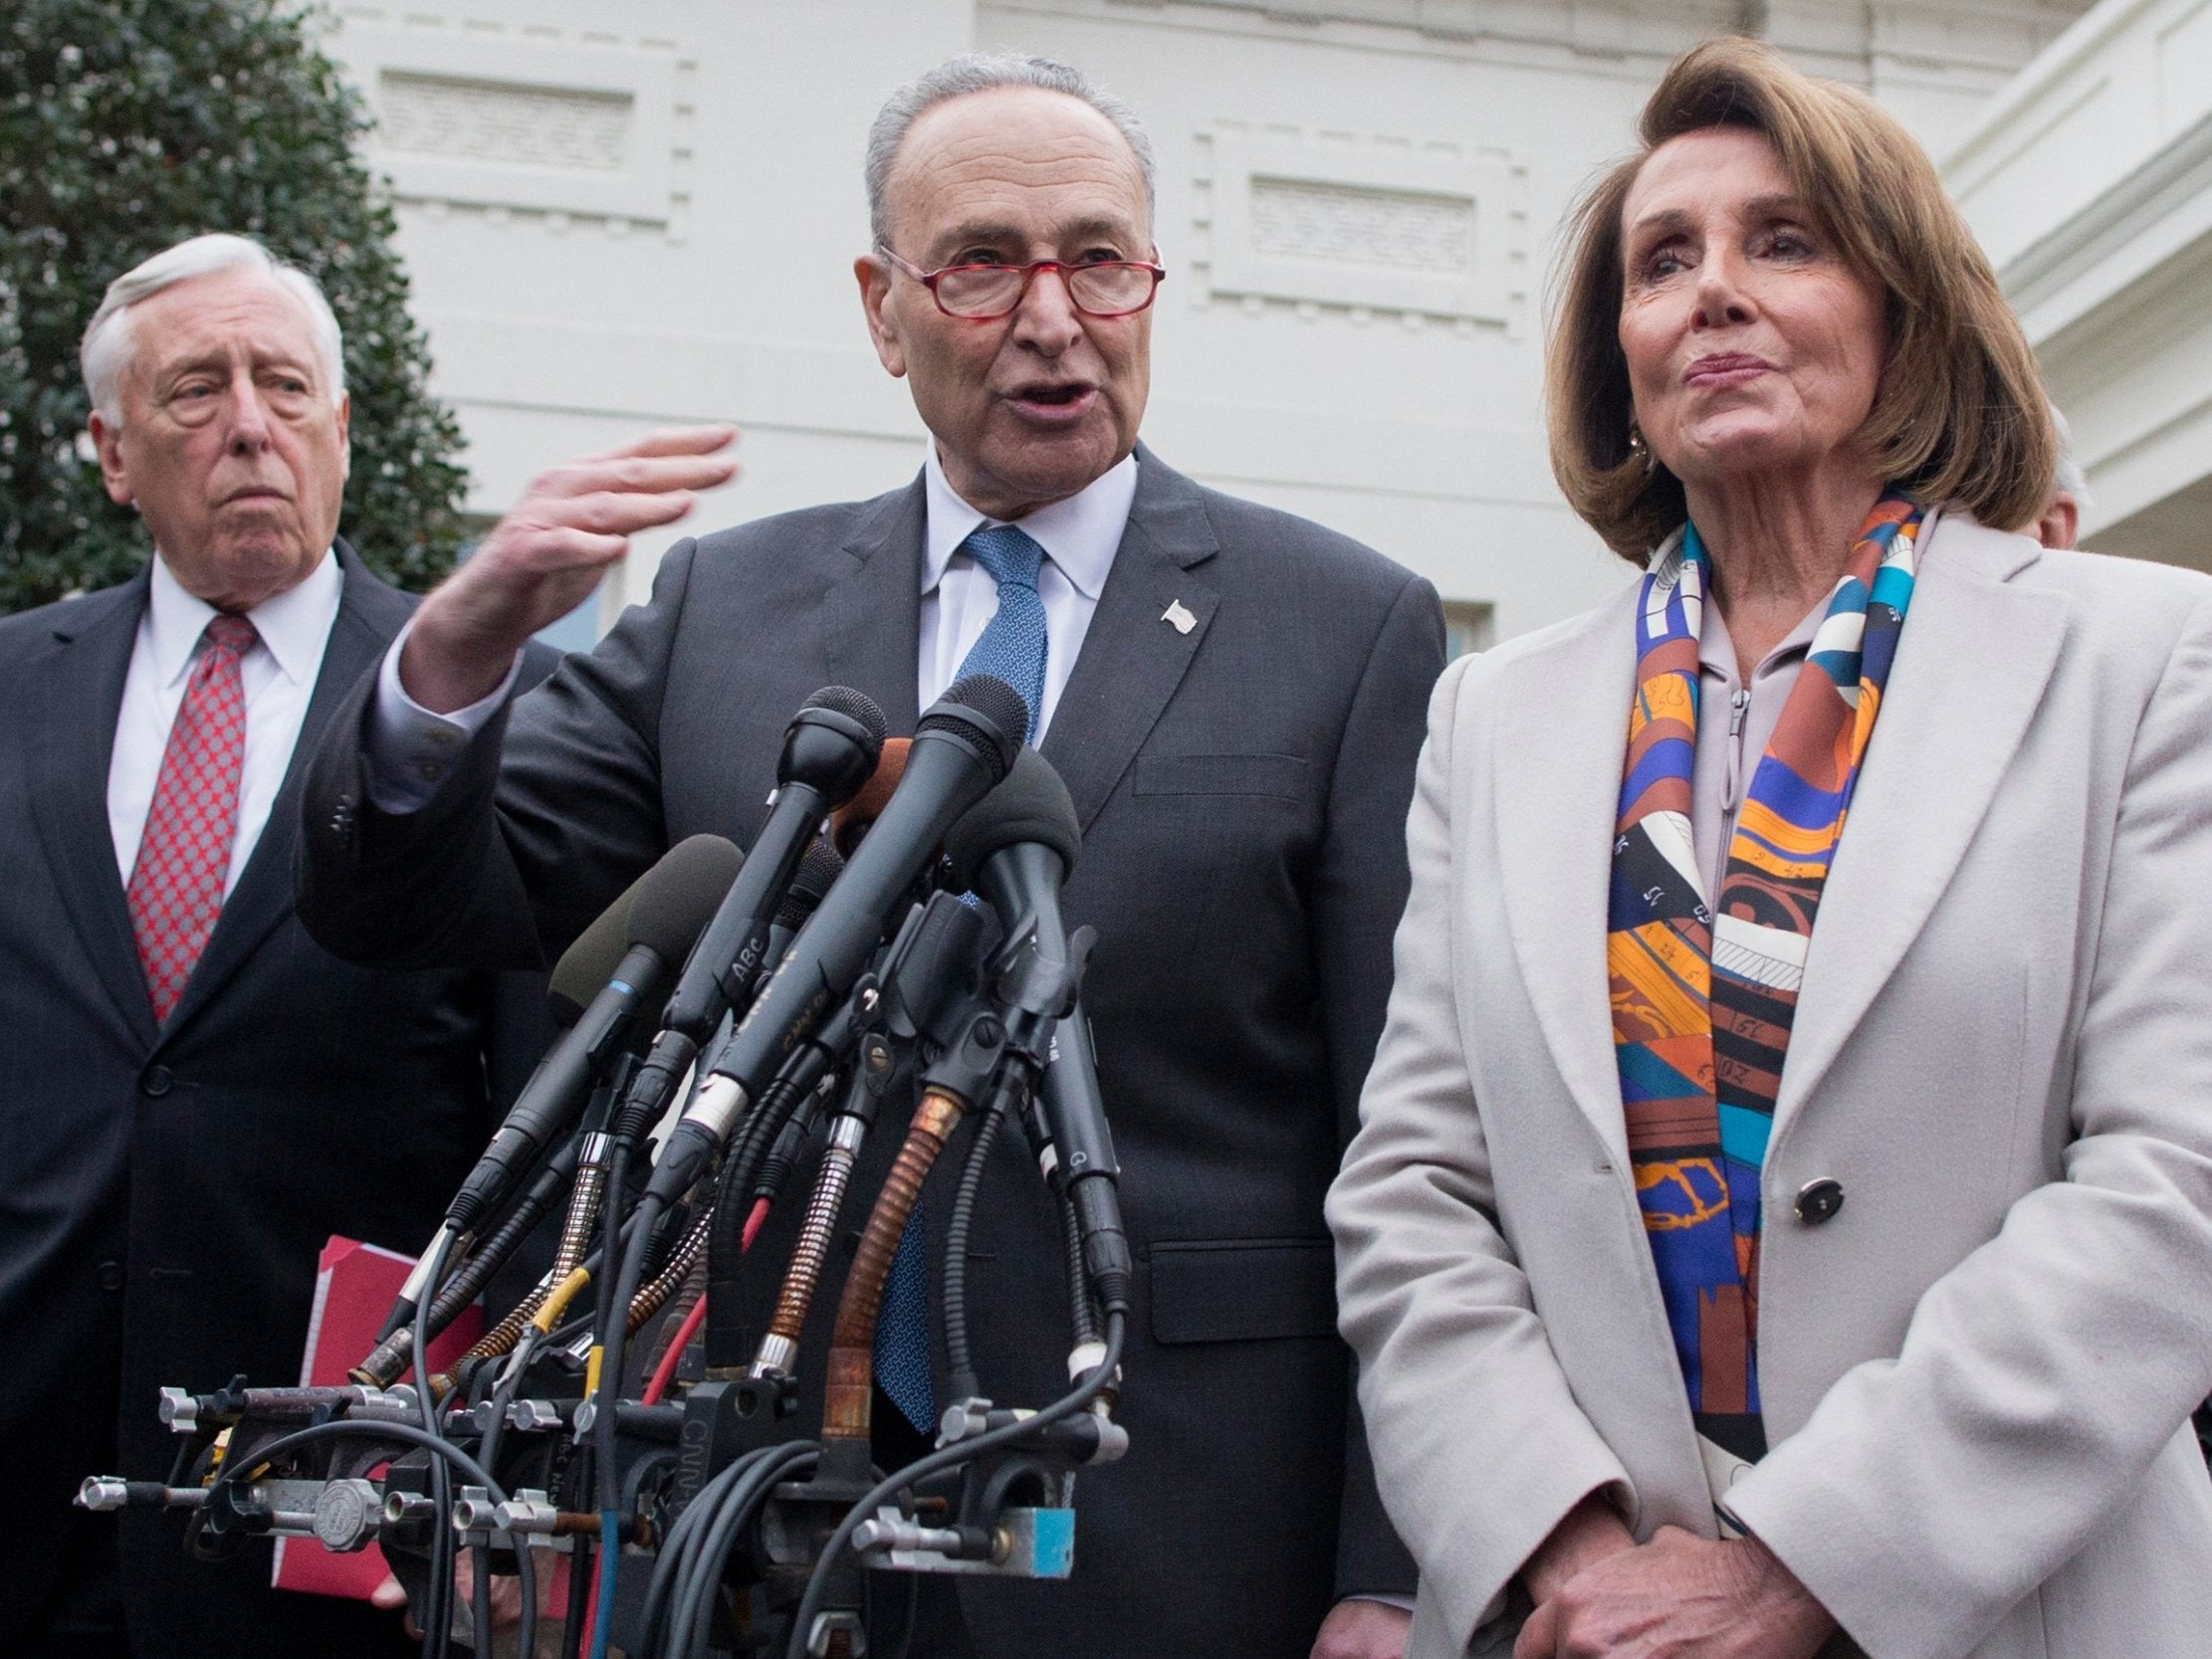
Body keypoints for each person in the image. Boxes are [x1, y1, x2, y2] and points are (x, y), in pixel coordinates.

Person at [296, 53, 1438, 1659]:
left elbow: (1411, 1140)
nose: (1053, 315)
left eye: (1098, 257)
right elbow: (405, 896)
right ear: (880, 305)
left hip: (1168, 1514)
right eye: (981, 262)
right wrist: (454, 655)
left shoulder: (1343, 627)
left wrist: (1386, 1577)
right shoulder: (722, 609)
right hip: (735, 1509)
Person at [1329, 38, 2212, 1659]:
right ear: (1623, 353)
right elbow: (1413, 1192)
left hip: (2014, 1609)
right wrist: (1571, 1548)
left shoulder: (2143, 660)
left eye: (1782, 242)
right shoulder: (1491, 716)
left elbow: (2173, 1179)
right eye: (1662, 262)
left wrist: (1805, 1567)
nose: (1711, 292)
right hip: (1577, 1623)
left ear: (1906, 311)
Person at [0, 235, 555, 1659]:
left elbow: (547, 1135)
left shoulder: (498, 710)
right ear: (113, 456)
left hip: (338, 1504)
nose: (250, 423)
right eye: (196, 391)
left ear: (342, 432)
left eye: (285, 386)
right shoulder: (13, 689)